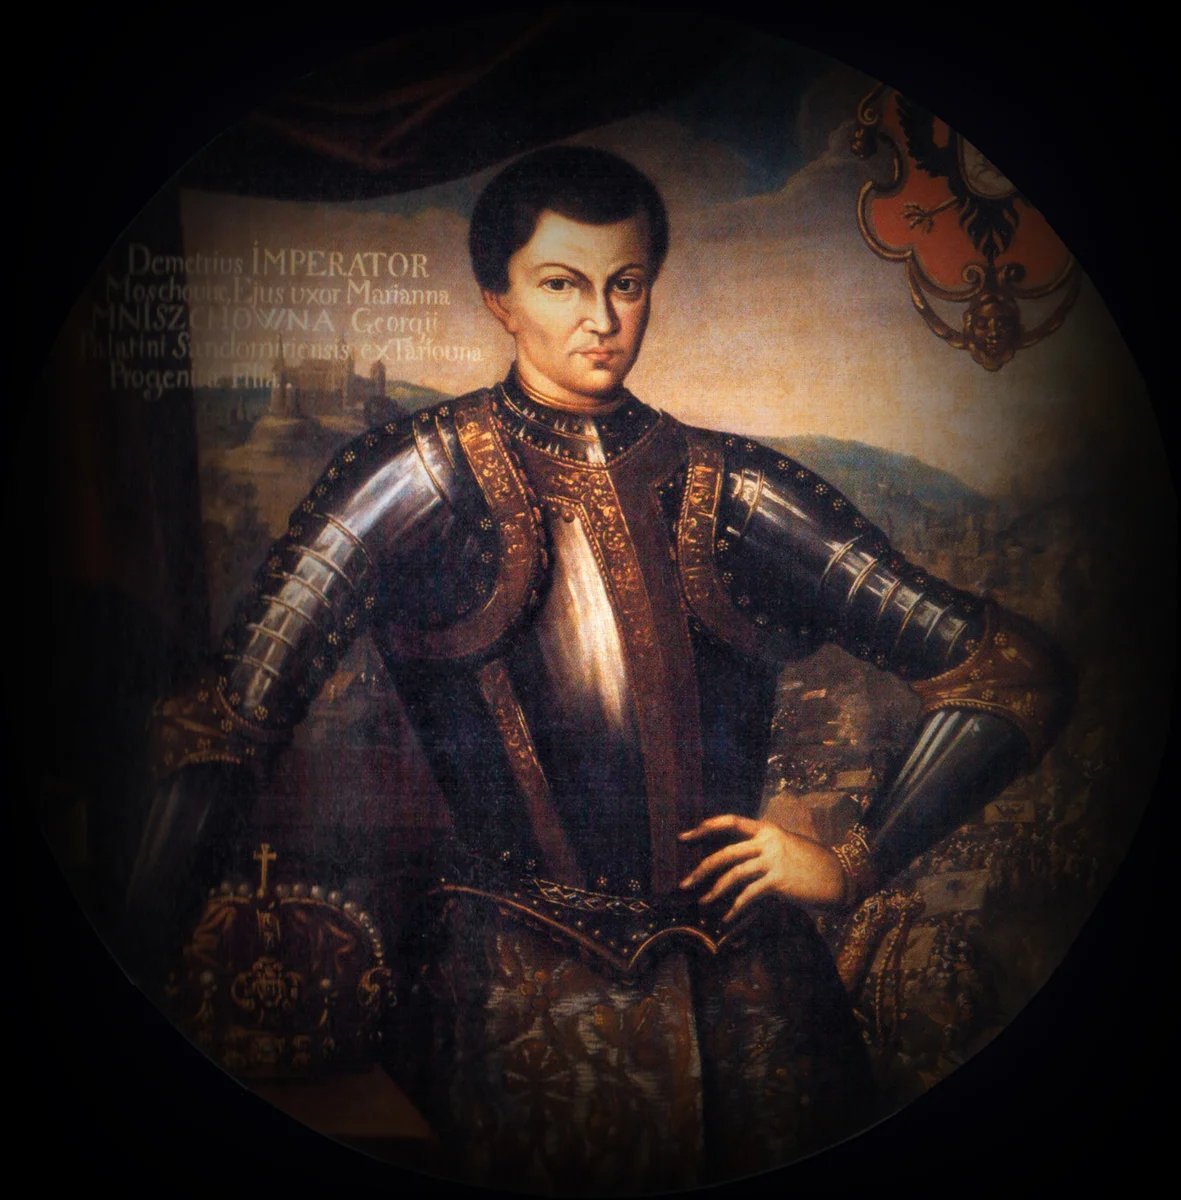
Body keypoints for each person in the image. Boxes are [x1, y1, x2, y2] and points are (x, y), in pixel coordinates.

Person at [127, 145, 1071, 1193]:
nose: (602, 319)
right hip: (505, 1003)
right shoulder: (412, 480)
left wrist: (851, 860)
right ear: (498, 300)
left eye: (625, 284)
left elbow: (1008, 672)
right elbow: (219, 726)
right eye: (561, 284)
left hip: (755, 1007)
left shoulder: (735, 489)